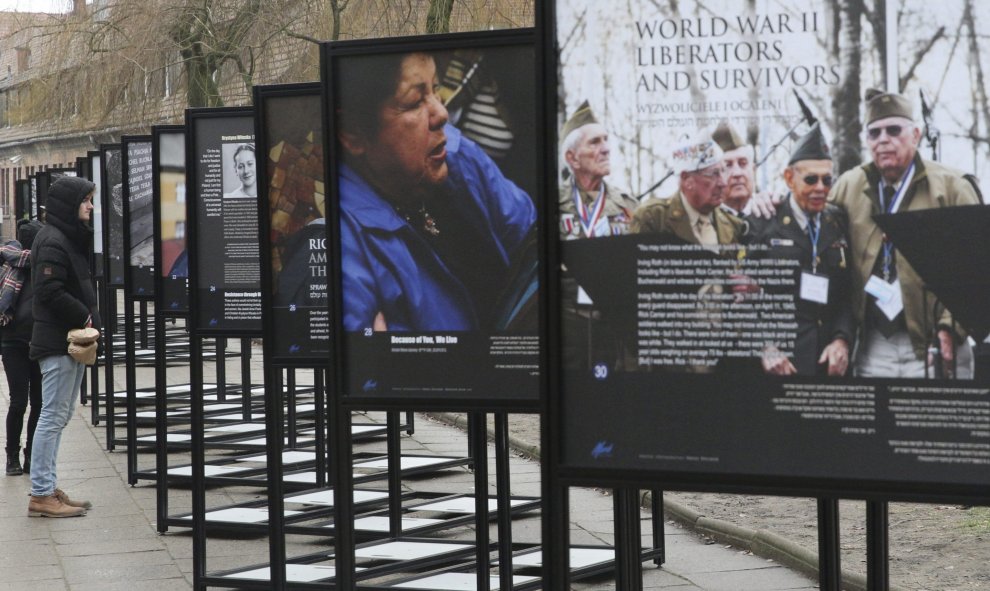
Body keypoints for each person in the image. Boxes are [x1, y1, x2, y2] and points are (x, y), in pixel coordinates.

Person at [335, 51, 536, 332]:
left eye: (436, 90)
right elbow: (375, 369)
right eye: (415, 102)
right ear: (353, 133)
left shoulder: (456, 152)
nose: (442, 113)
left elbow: (530, 236)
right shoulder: (346, 249)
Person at [828, 89, 980, 378]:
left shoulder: (951, 188)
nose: (883, 139)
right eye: (874, 133)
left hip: (937, 343)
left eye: (893, 130)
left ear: (916, 135)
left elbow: (977, 266)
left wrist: (950, 327)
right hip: (874, 346)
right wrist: (767, 203)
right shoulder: (848, 188)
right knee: (878, 422)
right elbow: (814, 231)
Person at [744, 123, 853, 376]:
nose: (820, 188)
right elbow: (740, 299)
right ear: (789, 179)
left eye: (827, 180)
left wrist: (842, 339)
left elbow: (847, 294)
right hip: (782, 364)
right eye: (811, 179)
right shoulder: (763, 224)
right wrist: (764, 347)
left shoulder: (837, 222)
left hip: (829, 366)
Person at [27, 175, 101, 518]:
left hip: (66, 340)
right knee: (52, 416)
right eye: (86, 201)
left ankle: (48, 486)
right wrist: (85, 316)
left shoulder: (64, 237)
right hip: (58, 341)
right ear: (70, 205)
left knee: (60, 414)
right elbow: (49, 290)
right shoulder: (53, 239)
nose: (90, 206)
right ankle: (41, 494)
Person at [558, 101, 639, 368]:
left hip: (616, 334)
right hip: (568, 333)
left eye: (606, 140)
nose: (605, 148)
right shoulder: (549, 207)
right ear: (572, 158)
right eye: (594, 142)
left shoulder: (628, 207)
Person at [632, 135, 745, 249]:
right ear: (687, 180)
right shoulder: (654, 219)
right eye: (714, 174)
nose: (723, 183)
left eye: (723, 171)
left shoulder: (733, 225)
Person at [2, 219, 43, 475]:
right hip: (14, 343)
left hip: (39, 344)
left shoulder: (45, 269)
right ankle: (12, 457)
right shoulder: (9, 267)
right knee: (19, 402)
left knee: (38, 404)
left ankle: (31, 456)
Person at [712, 120, 757, 217]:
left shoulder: (770, 211)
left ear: (753, 170)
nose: (737, 173)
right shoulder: (708, 221)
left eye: (743, 163)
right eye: (727, 165)